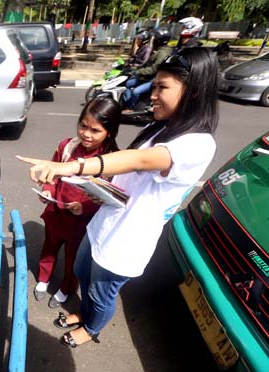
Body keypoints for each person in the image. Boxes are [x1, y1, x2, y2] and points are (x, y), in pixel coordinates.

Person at [17, 47, 219, 348]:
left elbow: (139, 161)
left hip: (126, 242)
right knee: (82, 272)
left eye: (162, 87)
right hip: (103, 223)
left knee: (101, 293)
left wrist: (66, 167)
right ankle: (84, 313)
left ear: (193, 91)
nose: (152, 94)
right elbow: (132, 179)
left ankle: (91, 327)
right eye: (155, 86)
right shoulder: (161, 127)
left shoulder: (198, 143)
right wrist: (101, 191)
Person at [33, 96, 121, 308]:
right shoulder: (67, 147)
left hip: (82, 224)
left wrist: (85, 206)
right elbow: (53, 172)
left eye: (95, 130)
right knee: (49, 247)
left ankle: (66, 289)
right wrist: (47, 189)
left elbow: (111, 197)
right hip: (56, 212)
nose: (86, 134)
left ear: (109, 131)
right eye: (83, 126)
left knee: (73, 259)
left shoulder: (112, 160)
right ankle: (44, 278)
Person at [122, 27, 173, 111]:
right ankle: (128, 103)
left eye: (155, 38)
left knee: (135, 92)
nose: (153, 40)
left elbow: (154, 69)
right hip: (146, 77)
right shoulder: (158, 50)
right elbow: (145, 64)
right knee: (127, 83)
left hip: (153, 79)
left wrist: (137, 72)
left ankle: (129, 109)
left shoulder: (163, 53)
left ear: (159, 40)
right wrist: (134, 69)